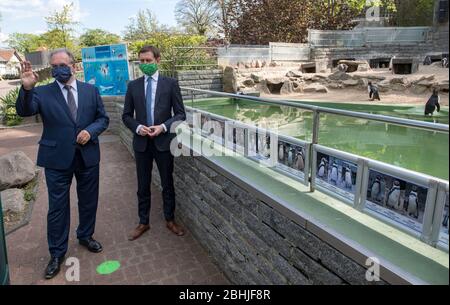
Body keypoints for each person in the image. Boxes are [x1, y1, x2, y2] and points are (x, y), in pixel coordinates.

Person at [16, 49, 109, 279]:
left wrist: (90, 131)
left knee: (88, 201)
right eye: (54, 66)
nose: (59, 69)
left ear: (73, 66)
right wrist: (27, 88)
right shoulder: (42, 93)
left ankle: (85, 235)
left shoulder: (91, 90)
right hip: (56, 159)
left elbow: (102, 119)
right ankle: (57, 253)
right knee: (57, 208)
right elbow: (24, 111)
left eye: (62, 65)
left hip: (87, 156)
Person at [122, 45, 186, 241]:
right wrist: (138, 127)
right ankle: (143, 222)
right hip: (141, 143)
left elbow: (181, 114)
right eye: (141, 61)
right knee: (142, 185)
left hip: (163, 142)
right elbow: (126, 116)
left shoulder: (170, 84)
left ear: (158, 60)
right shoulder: (133, 86)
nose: (144, 65)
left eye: (148, 61)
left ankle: (170, 219)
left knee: (167, 183)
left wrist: (163, 127)